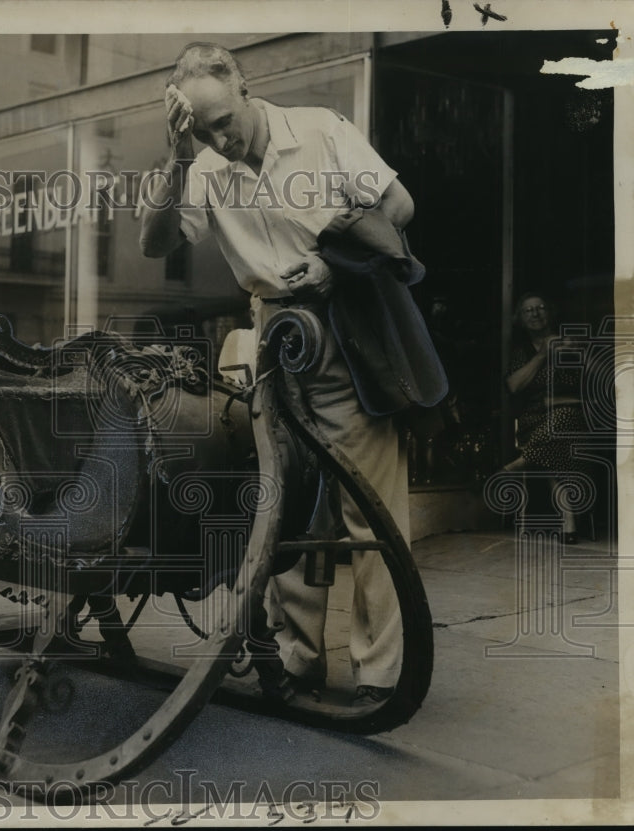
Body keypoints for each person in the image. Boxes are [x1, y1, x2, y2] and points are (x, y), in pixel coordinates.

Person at [139, 43, 446, 706]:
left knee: (369, 509)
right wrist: (178, 157)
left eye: (225, 118)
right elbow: (155, 244)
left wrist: (334, 265)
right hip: (272, 335)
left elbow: (399, 205)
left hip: (348, 326)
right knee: (283, 502)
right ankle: (300, 659)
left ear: (246, 87)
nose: (222, 135)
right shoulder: (203, 166)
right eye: (205, 127)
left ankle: (381, 672)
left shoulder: (320, 130)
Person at [504, 292, 589, 544]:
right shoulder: (521, 352)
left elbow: (592, 382)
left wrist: (577, 353)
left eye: (540, 307)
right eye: (528, 310)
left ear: (550, 313)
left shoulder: (570, 343)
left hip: (574, 418)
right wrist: (542, 355)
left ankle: (517, 464)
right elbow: (513, 386)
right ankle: (568, 524)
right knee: (555, 446)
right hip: (535, 422)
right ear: (519, 319)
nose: (536, 313)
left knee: (562, 422)